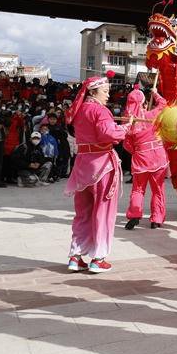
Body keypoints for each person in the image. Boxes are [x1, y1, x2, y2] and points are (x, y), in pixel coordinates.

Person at [64, 75, 129, 273]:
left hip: (83, 164)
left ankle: (75, 257)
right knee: (103, 210)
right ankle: (98, 258)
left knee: (82, 212)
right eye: (105, 91)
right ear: (93, 92)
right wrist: (125, 128)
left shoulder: (79, 110)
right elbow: (107, 134)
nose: (108, 95)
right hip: (102, 166)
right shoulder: (100, 110)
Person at [122, 86, 169, 230]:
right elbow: (163, 104)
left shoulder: (128, 121)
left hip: (141, 158)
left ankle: (134, 216)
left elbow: (126, 144)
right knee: (158, 189)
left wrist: (137, 150)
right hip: (158, 156)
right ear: (143, 102)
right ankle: (157, 218)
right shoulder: (151, 115)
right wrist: (155, 94)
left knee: (138, 189)